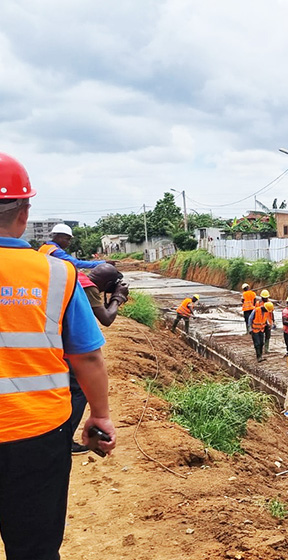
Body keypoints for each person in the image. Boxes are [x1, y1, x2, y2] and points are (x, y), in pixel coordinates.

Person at [0, 152, 116, 559]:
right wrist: (99, 416)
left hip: (35, 430)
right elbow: (87, 358)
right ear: (25, 211)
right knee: (34, 549)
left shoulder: (62, 267)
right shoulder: (55, 275)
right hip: (35, 434)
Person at [70, 264, 129, 454]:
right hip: (72, 346)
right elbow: (106, 318)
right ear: (109, 283)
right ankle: (66, 438)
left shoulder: (79, 278)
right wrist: (117, 298)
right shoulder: (90, 288)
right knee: (79, 390)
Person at [38, 223, 110, 269]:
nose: (69, 242)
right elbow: (76, 263)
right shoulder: (55, 251)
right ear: (59, 237)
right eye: (67, 239)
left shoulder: (45, 247)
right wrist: (103, 263)